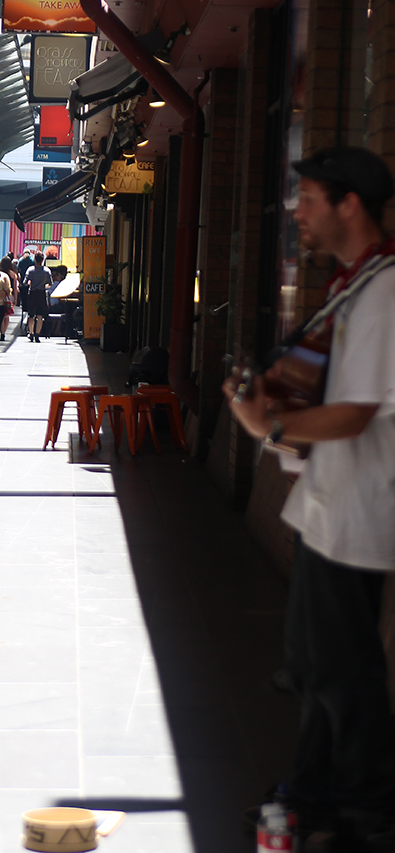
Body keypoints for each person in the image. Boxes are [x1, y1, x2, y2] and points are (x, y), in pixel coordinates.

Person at [225, 147, 395, 846]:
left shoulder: (383, 289)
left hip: (357, 511)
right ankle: (319, 794)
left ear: (348, 203)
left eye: (310, 198)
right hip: (331, 506)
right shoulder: (353, 284)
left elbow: (355, 411)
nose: (297, 211)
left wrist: (270, 426)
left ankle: (366, 811)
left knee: (341, 672)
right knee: (318, 665)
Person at [24, 251, 53, 342]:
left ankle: (31, 333)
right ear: (42, 260)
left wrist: (30, 283)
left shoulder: (30, 270)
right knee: (40, 316)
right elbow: (50, 283)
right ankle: (37, 334)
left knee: (31, 315)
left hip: (32, 293)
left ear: (35, 260)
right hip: (42, 294)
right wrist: (44, 285)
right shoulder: (47, 271)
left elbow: (25, 282)